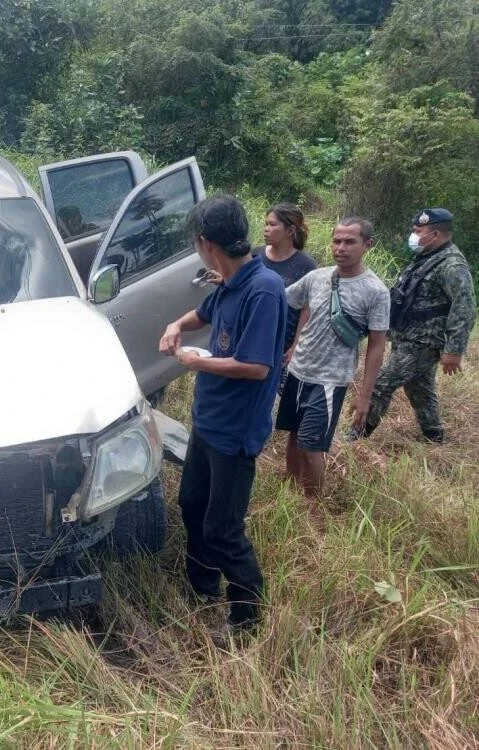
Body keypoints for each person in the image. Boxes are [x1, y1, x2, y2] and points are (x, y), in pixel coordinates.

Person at [159, 195, 287, 639]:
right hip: (207, 422)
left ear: (204, 243)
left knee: (224, 529)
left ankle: (246, 620)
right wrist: (177, 325)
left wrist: (197, 363)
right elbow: (203, 313)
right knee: (191, 505)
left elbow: (257, 367)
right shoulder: (231, 283)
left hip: (236, 432)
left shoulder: (263, 289)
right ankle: (202, 587)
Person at [276, 218, 389, 496]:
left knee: (311, 445)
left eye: (349, 241)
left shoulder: (375, 291)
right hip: (298, 370)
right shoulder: (317, 277)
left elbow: (377, 345)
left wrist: (364, 397)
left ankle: (313, 506)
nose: (340, 247)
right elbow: (282, 298)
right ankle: (290, 496)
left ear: (367, 245)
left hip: (329, 380)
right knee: (293, 434)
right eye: (336, 240)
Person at [354, 208, 475, 443]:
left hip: (424, 342)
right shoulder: (428, 258)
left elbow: (465, 307)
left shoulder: (452, 265)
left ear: (436, 234)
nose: (414, 235)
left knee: (381, 384)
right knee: (419, 388)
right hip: (408, 337)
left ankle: (357, 436)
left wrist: (454, 350)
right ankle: (434, 436)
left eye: (418, 231)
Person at [257, 203, 317, 373]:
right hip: (252, 336)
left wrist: (295, 347)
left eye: (272, 224)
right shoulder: (255, 255)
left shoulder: (306, 265)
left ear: (290, 231)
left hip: (282, 344)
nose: (266, 229)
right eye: (266, 224)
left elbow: (307, 310)